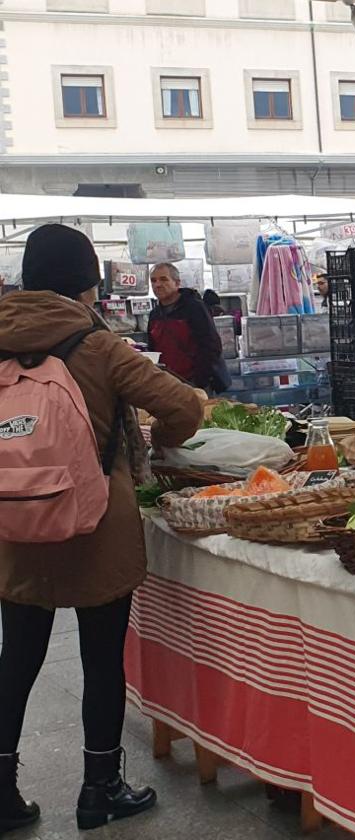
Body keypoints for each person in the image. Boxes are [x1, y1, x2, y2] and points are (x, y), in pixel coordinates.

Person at [0, 224, 203, 832]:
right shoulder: (98, 344)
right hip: (96, 524)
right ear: (88, 282)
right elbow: (185, 407)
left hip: (13, 520)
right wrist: (153, 444)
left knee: (16, 658)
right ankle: (100, 787)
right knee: (101, 658)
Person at [147, 263, 229, 393]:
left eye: (163, 279)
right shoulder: (154, 315)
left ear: (177, 283)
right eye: (153, 280)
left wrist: (199, 381)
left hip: (194, 384)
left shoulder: (195, 308)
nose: (157, 284)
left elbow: (211, 346)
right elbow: (152, 349)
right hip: (167, 385)